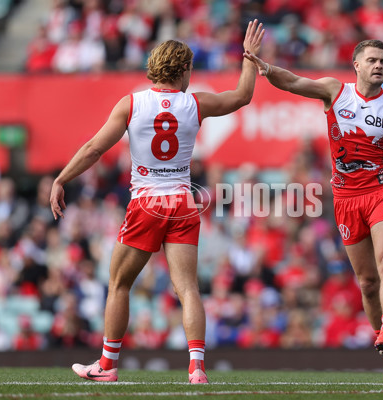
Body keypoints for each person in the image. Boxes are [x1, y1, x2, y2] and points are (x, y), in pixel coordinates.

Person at [50, 20, 265, 384]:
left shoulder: (132, 103)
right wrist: (249, 57)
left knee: (119, 284)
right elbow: (242, 95)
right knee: (188, 288)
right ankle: (197, 367)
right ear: (182, 70)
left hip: (146, 202)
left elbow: (94, 149)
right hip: (183, 200)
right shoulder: (195, 104)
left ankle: (106, 365)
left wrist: (61, 179)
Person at [244, 39, 383, 386]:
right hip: (345, 199)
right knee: (367, 282)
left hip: (381, 192)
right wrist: (266, 68)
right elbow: (294, 81)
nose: (379, 66)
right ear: (356, 64)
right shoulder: (334, 91)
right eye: (372, 60)